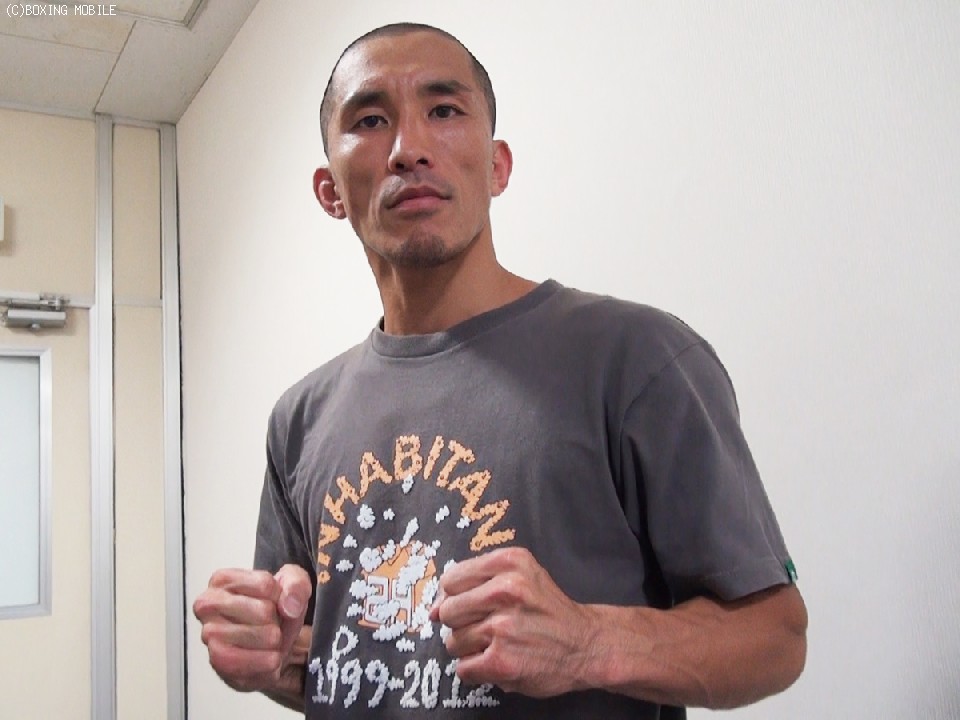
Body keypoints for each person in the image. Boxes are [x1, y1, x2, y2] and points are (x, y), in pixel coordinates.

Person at [193, 22, 807, 719]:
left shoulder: (638, 359)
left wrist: (587, 643)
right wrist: (265, 657)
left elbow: (776, 637)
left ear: (497, 166)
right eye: (370, 120)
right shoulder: (300, 418)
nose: (408, 148)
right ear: (330, 190)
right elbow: (338, 664)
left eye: (444, 110)